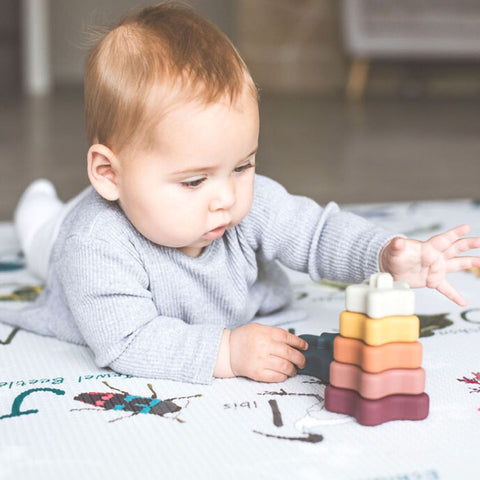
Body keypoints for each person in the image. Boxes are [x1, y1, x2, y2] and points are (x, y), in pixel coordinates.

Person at [4, 2, 480, 385]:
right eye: (193, 181)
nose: (225, 198)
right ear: (108, 174)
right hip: (65, 241)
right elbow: (128, 340)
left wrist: (382, 256)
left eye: (243, 165)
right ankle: (36, 208)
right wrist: (226, 351)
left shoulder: (240, 204)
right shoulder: (93, 245)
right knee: (44, 235)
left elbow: (316, 234)